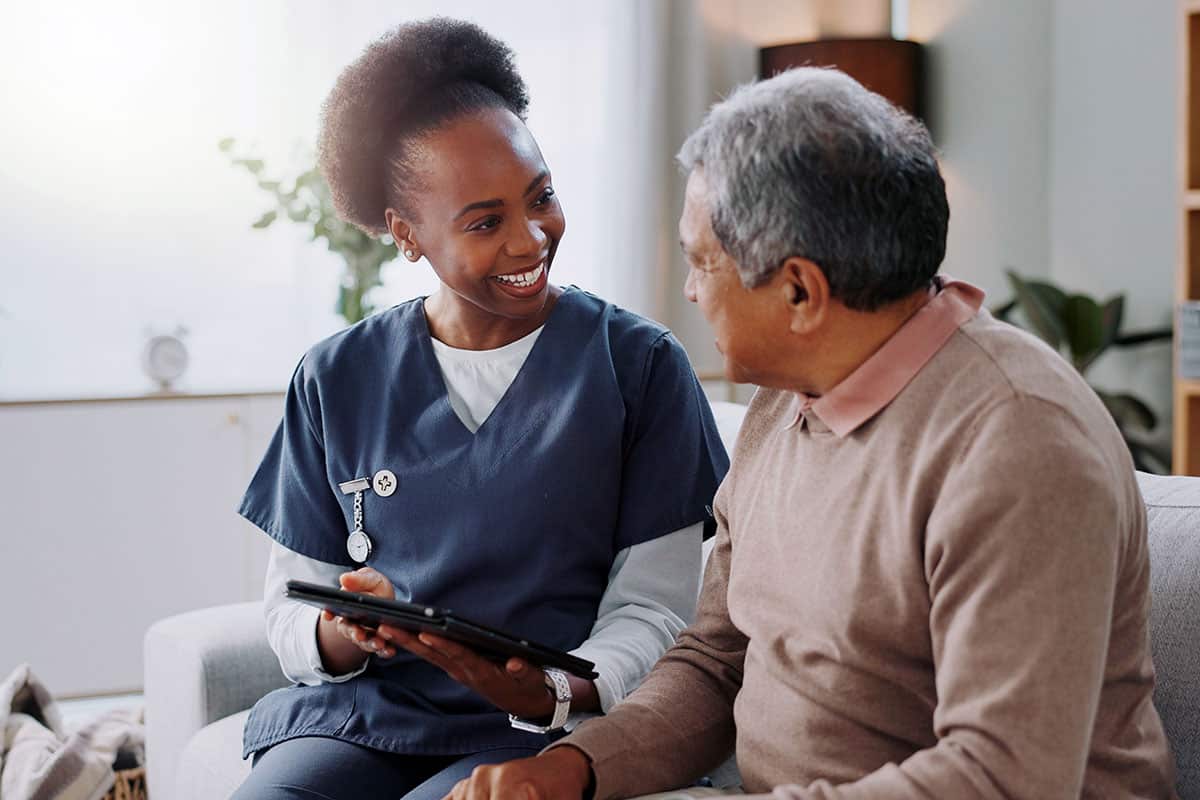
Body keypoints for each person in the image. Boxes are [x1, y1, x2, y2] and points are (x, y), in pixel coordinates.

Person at [446, 67, 1179, 799]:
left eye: (703, 262)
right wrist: (571, 771)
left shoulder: (1019, 443)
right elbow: (716, 661)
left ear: (799, 291)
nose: (693, 291)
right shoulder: (785, 399)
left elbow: (1001, 777)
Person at [229, 18, 728, 800]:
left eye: (543, 197)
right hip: (367, 715)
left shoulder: (640, 368)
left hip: (543, 727)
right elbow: (291, 604)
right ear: (406, 235)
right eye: (486, 222)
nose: (531, 240)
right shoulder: (336, 376)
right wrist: (345, 632)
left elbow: (659, 614)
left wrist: (561, 691)